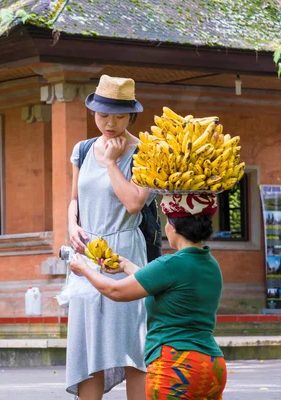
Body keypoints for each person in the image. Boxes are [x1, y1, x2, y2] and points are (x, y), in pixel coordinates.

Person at [69, 193, 227, 399]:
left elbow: (115, 291)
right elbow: (161, 282)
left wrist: (84, 269)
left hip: (177, 366)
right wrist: (124, 265)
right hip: (212, 365)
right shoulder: (210, 264)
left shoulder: (170, 265)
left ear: (173, 226)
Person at [66, 75, 150, 399]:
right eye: (103, 115)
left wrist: (112, 163)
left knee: (133, 346)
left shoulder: (144, 153)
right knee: (88, 349)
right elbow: (74, 198)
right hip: (88, 253)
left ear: (131, 116)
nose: (110, 123)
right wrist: (71, 224)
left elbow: (133, 202)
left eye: (118, 116)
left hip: (126, 252)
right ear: (93, 113)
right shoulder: (83, 149)